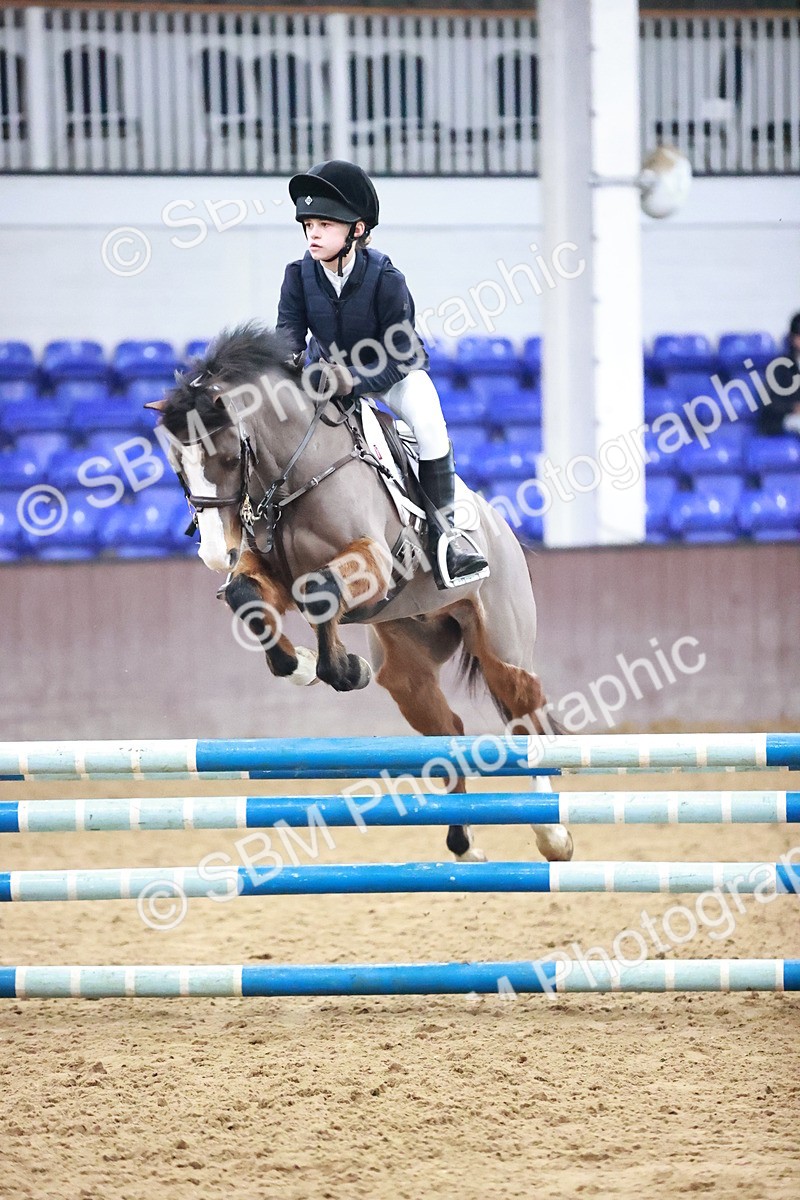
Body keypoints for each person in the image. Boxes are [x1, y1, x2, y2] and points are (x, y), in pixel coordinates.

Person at [276, 158, 489, 590]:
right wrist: (286, 374)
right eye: (309, 224)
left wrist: (353, 379)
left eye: (325, 224)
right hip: (328, 381)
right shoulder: (298, 277)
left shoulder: (386, 280)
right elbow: (288, 343)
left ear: (356, 230)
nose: (313, 233)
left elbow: (403, 353)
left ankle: (446, 538)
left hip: (391, 378)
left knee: (429, 425)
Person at [758, 312, 800, 436]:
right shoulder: (780, 366)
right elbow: (769, 401)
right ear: (793, 338)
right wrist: (793, 407)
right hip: (786, 419)